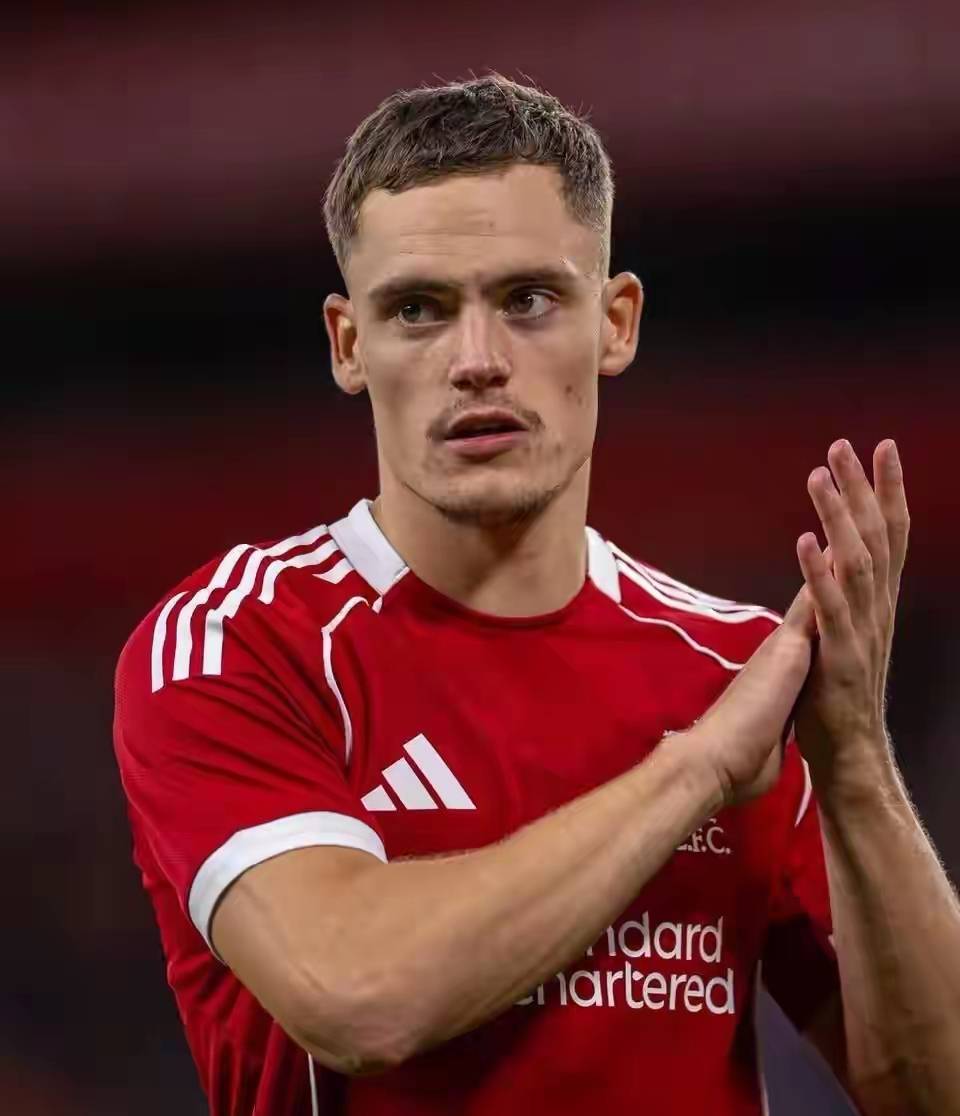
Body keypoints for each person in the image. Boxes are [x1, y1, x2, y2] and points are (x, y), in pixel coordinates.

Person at [113, 75, 960, 1116]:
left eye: (527, 300)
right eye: (417, 310)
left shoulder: (732, 672)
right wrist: (694, 770)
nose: (477, 362)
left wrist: (857, 768)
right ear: (348, 345)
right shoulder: (239, 643)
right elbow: (357, 996)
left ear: (616, 322)